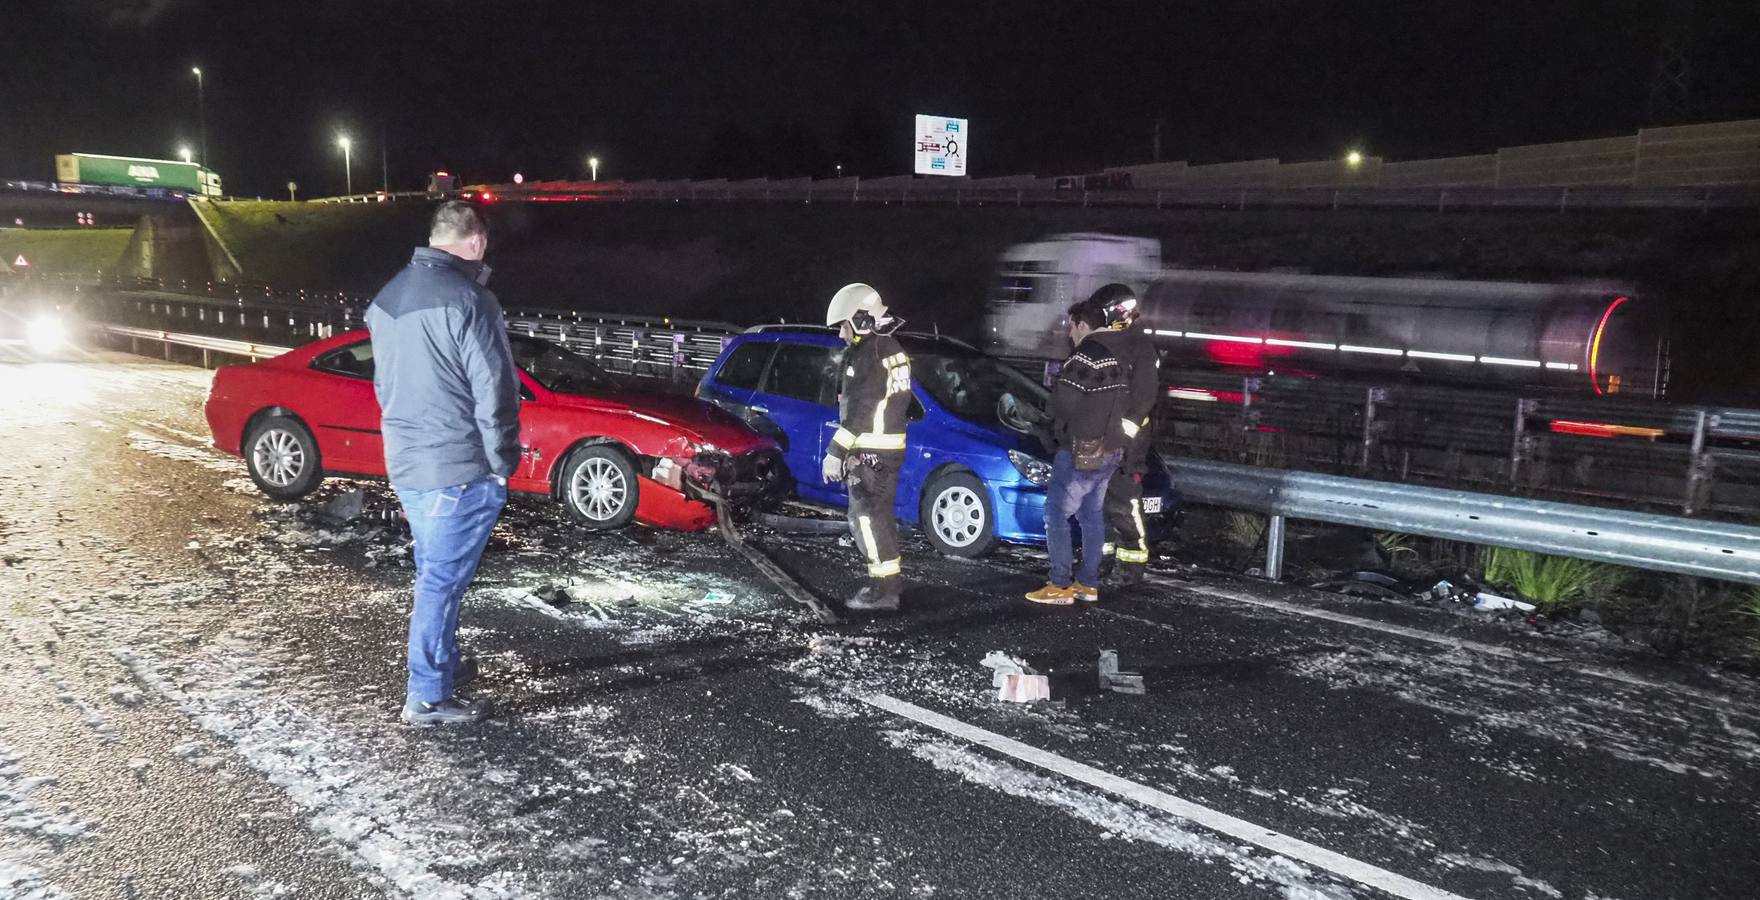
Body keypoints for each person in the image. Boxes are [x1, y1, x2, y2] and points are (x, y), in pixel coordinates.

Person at [366, 201, 520, 726]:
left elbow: (386, 384)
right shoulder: (470, 299)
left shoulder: (387, 297)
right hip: (457, 465)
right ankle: (427, 695)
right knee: (441, 581)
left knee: (436, 571)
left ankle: (442, 665)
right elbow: (494, 387)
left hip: (408, 462)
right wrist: (502, 461)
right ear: (475, 241)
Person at [1026, 297, 1129, 605]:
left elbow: (1062, 404)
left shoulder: (1083, 359)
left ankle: (1059, 584)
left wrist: (1046, 411)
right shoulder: (1115, 358)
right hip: (1112, 449)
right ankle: (1088, 583)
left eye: (1070, 326)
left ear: (1083, 325)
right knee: (1091, 515)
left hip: (1082, 450)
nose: (1069, 333)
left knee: (1056, 513)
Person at [821, 283, 911, 612]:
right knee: (878, 519)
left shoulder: (870, 352)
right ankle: (890, 582)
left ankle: (883, 590)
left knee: (866, 520)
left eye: (843, 326)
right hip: (885, 453)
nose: (842, 335)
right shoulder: (892, 347)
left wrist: (835, 452)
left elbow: (861, 411)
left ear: (860, 319)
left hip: (871, 454)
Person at [1087, 284, 1160, 586]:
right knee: (1096, 498)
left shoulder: (1139, 346)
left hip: (1128, 439)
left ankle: (1131, 566)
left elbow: (1143, 398)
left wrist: (1123, 434)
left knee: (1122, 499)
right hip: (1104, 431)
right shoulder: (1112, 342)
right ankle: (1100, 560)